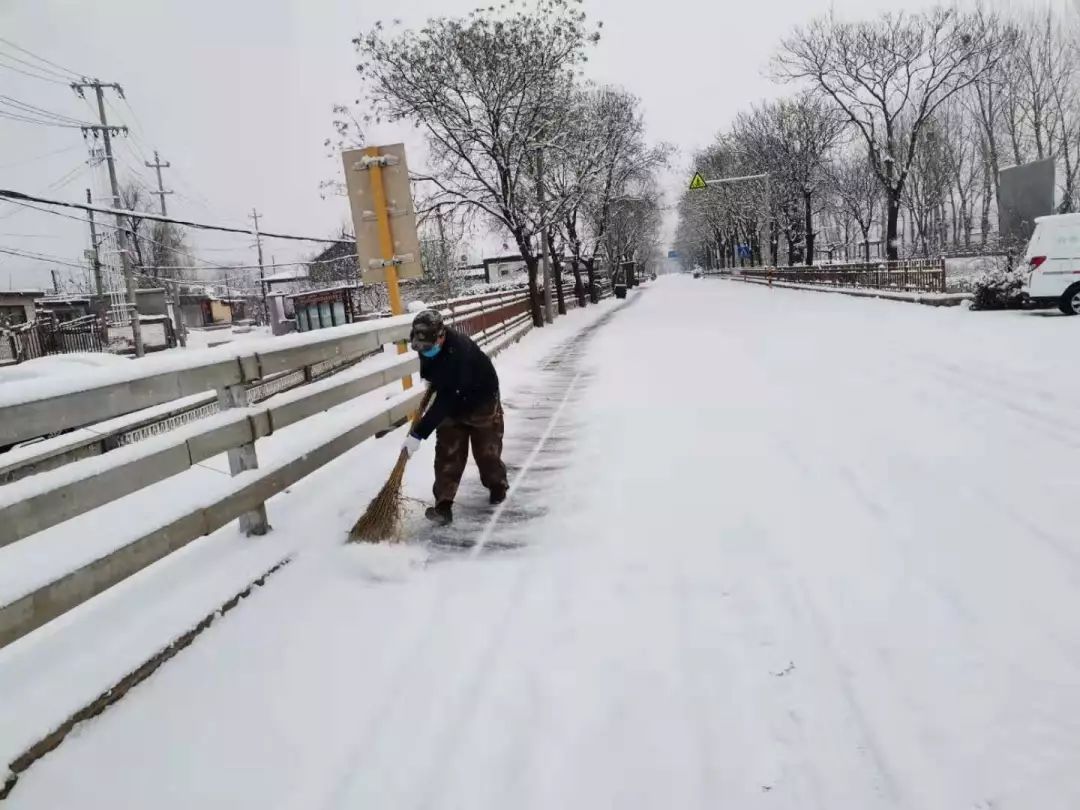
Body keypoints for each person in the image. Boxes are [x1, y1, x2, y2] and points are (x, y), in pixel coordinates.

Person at [402, 309, 508, 525]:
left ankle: (497, 486)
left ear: (441, 336)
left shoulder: (460, 351)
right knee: (447, 453)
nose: (423, 352)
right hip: (452, 399)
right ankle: (443, 505)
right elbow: (438, 381)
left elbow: (446, 399)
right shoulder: (426, 344)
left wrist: (419, 433)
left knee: (487, 453)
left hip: (481, 400)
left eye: (427, 348)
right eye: (419, 348)